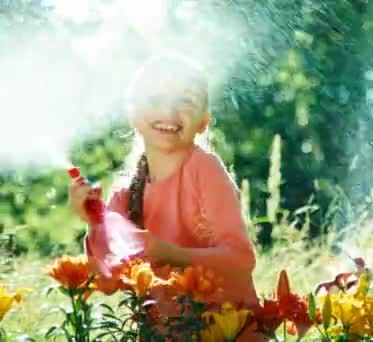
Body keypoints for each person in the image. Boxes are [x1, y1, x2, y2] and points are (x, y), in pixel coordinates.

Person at [68, 52, 262, 341]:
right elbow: (106, 282)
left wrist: (172, 254)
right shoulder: (125, 194)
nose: (169, 111)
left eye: (186, 100)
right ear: (133, 114)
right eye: (155, 99)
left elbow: (241, 259)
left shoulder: (204, 169)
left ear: (203, 122)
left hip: (226, 333)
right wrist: (93, 222)